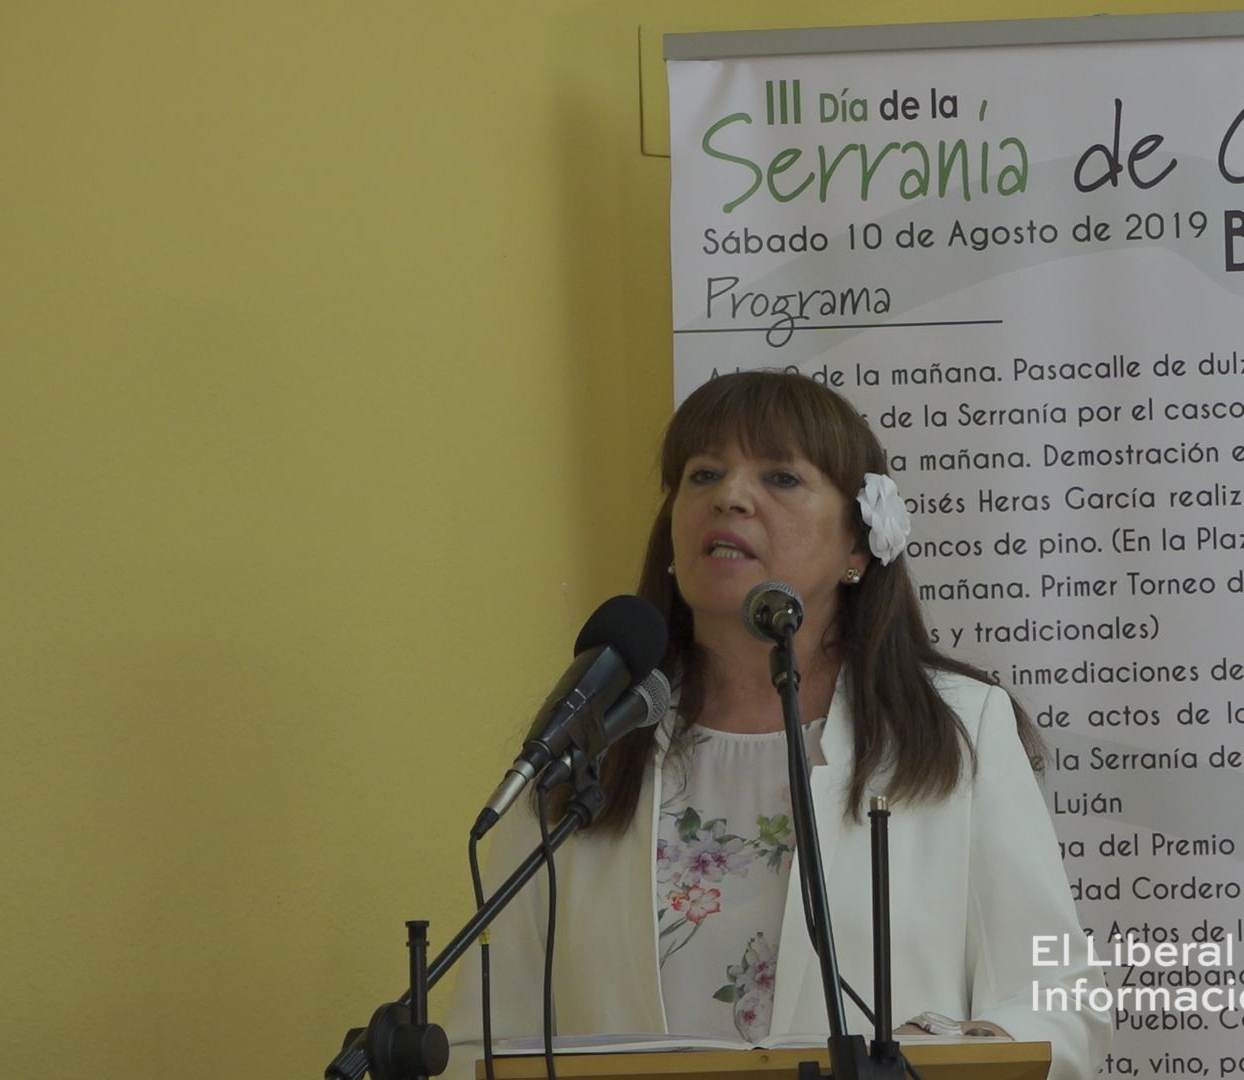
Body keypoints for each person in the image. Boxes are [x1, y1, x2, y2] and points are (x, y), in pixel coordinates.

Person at [447, 371, 1108, 1078]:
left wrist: (937, 1046)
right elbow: (483, 1043)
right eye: (703, 474)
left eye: (781, 478)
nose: (729, 496)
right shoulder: (589, 740)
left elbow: (1060, 999)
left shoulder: (957, 729)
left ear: (858, 547)